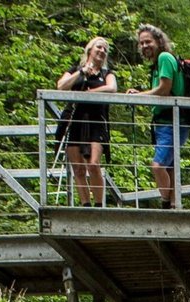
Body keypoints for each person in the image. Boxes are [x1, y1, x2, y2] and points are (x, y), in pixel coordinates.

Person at [126, 24, 183, 208]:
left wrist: (138, 96)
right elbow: (160, 91)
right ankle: (174, 205)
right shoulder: (158, 64)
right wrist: (141, 93)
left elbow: (164, 90)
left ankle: (166, 204)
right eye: (141, 43)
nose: (144, 46)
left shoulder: (165, 58)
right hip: (166, 122)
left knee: (157, 165)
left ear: (159, 41)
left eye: (148, 41)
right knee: (170, 168)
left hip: (171, 122)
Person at [56, 37, 116, 205]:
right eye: (99, 47)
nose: (102, 51)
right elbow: (61, 85)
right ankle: (85, 205)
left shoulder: (107, 74)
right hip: (75, 119)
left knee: (94, 164)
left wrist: (91, 92)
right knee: (79, 169)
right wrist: (81, 73)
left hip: (97, 120)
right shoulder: (75, 69)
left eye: (105, 50)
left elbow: (112, 88)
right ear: (90, 50)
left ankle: (98, 205)